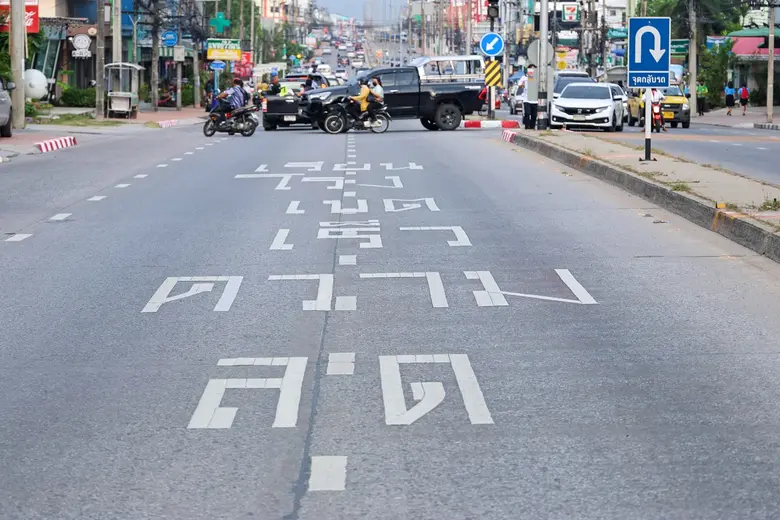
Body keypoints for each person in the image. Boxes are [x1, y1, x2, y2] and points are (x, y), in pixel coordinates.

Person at [523, 65, 538, 130]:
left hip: (535, 100)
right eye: (531, 69)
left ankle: (532, 127)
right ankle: (527, 126)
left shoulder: (538, 78)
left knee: (534, 115)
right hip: (526, 99)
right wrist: (522, 85)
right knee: (527, 113)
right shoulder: (524, 78)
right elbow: (520, 85)